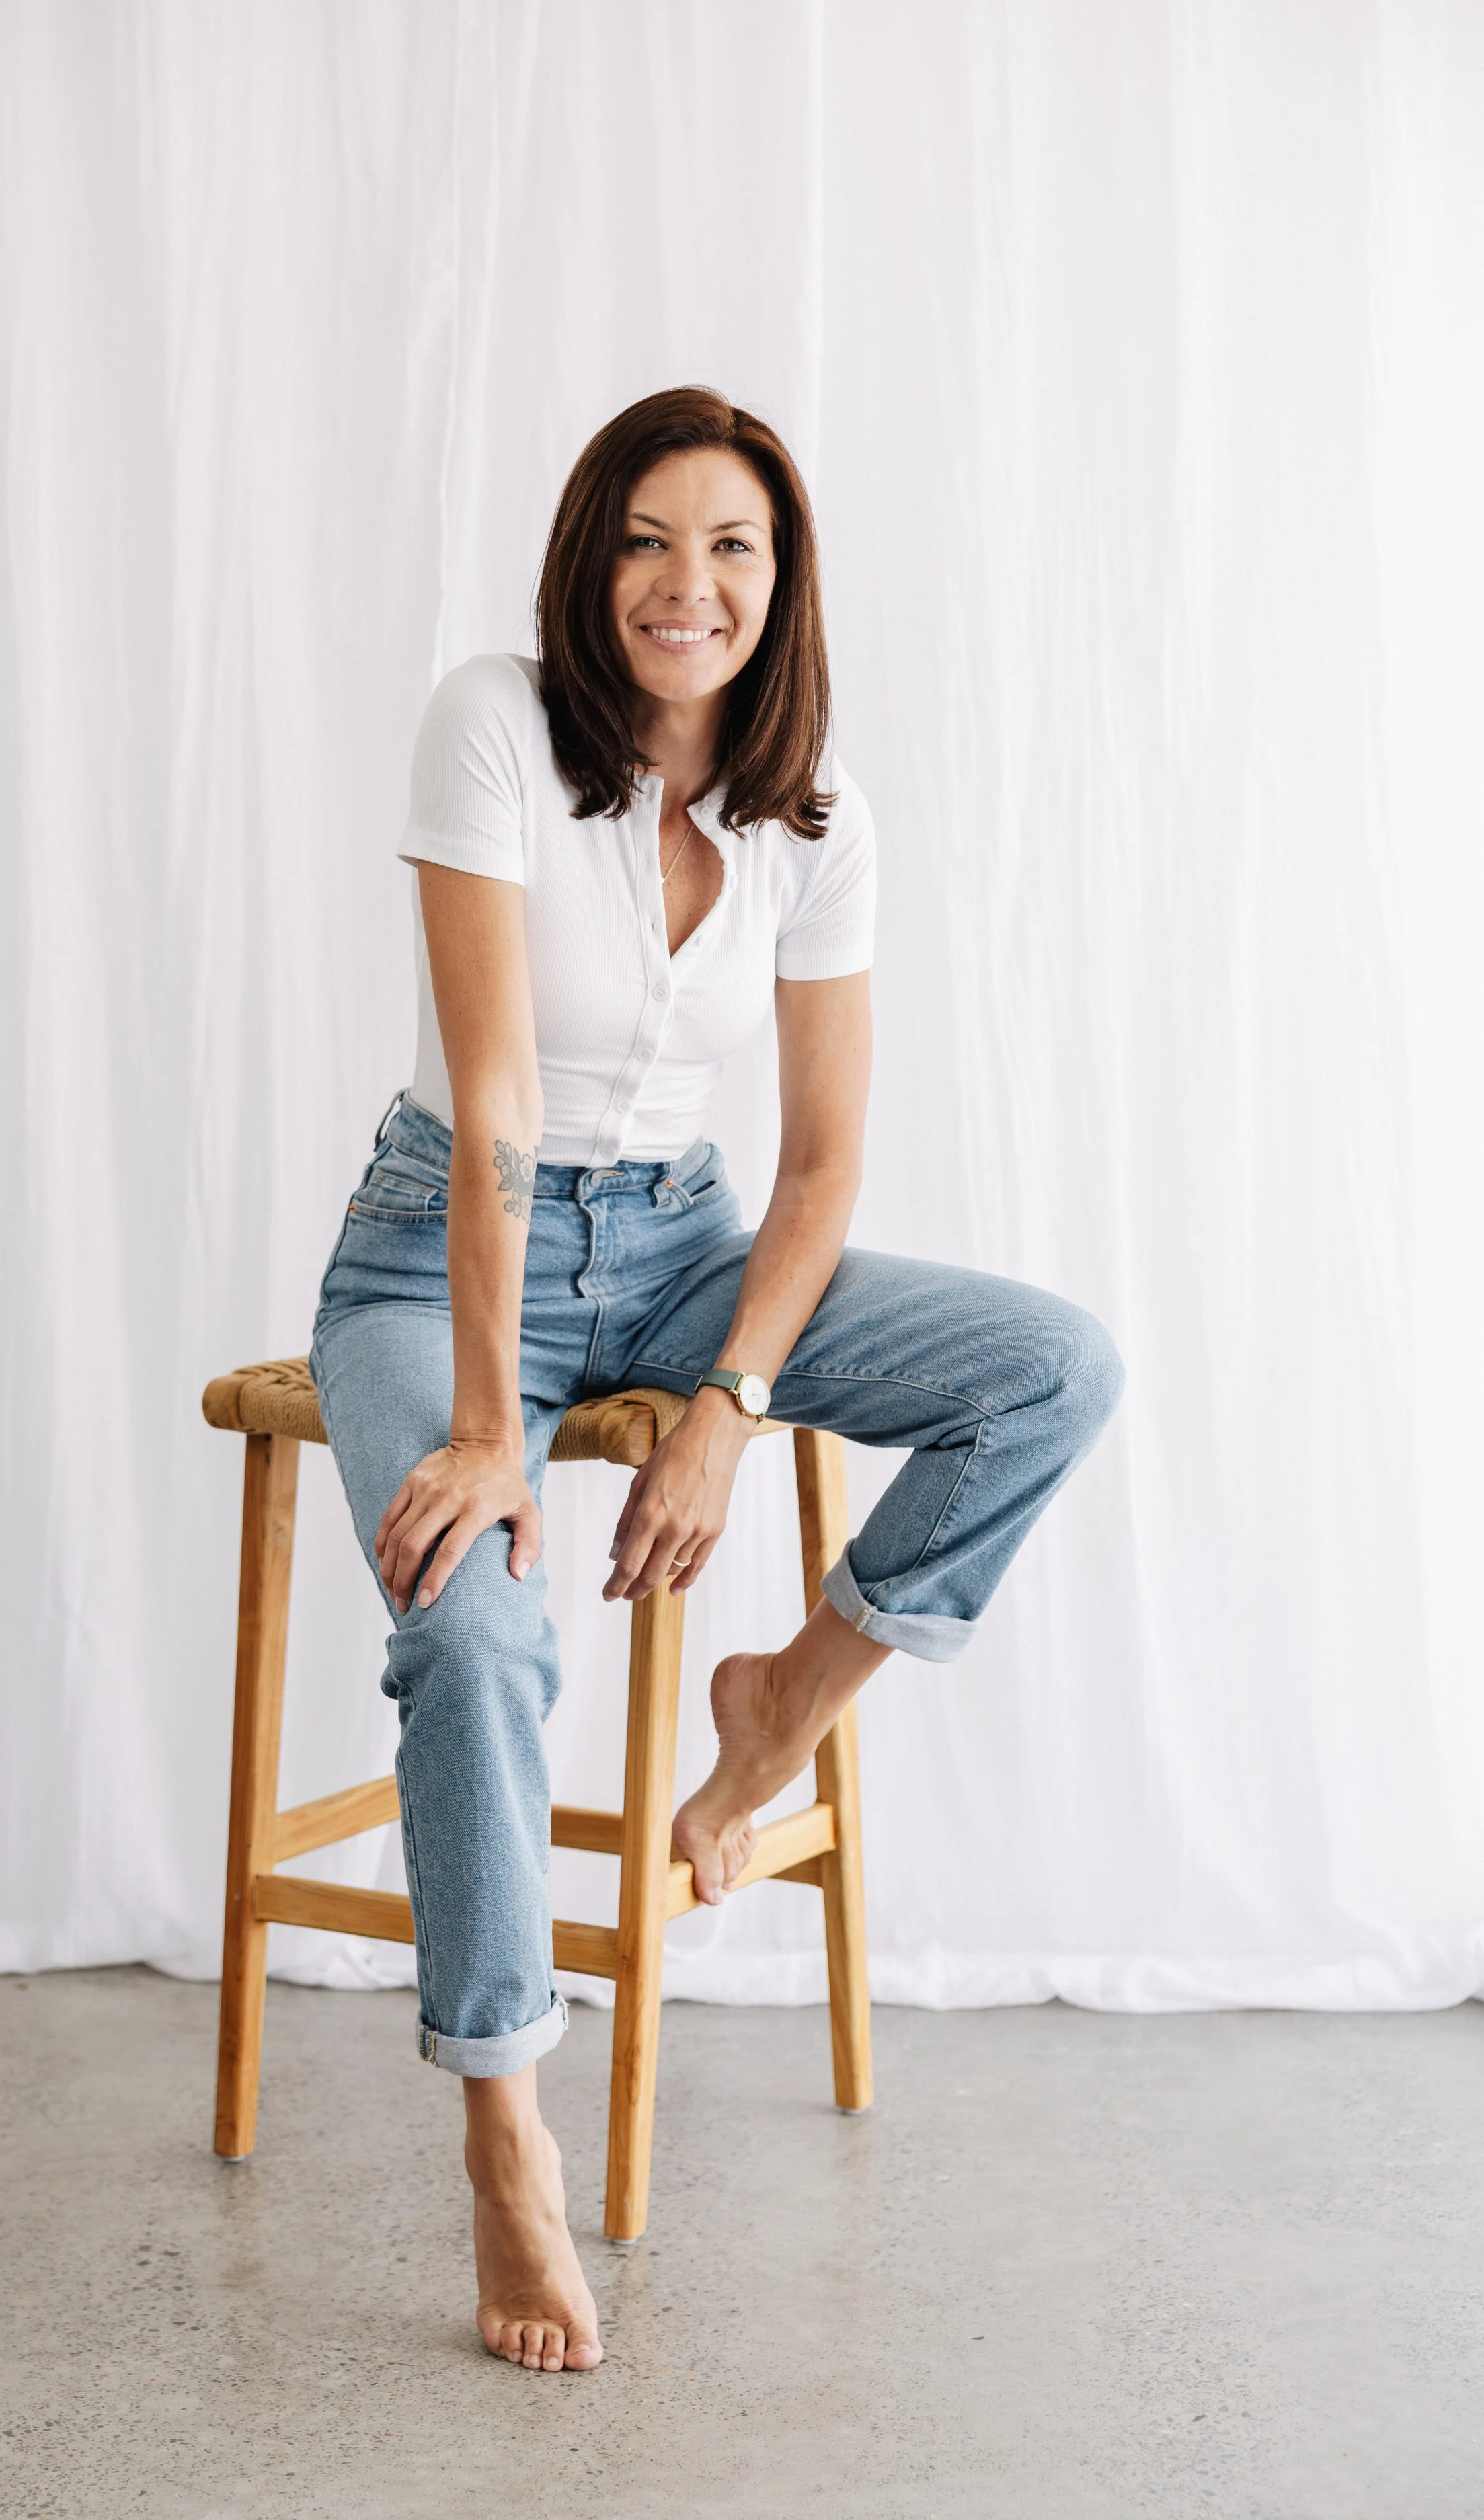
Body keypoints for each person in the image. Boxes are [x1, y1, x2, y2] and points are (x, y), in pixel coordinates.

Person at [311, 386, 1122, 2373]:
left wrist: (730, 1405)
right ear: (591, 561)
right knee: (474, 1625)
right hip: (441, 1251)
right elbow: (495, 1103)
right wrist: (491, 1429)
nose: (689, 583)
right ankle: (507, 2132)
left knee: (1051, 1368)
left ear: (782, 582)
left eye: (733, 546)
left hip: (688, 1251)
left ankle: (784, 1703)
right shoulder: (493, 725)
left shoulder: (814, 808)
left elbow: (825, 1163)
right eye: (648, 540)